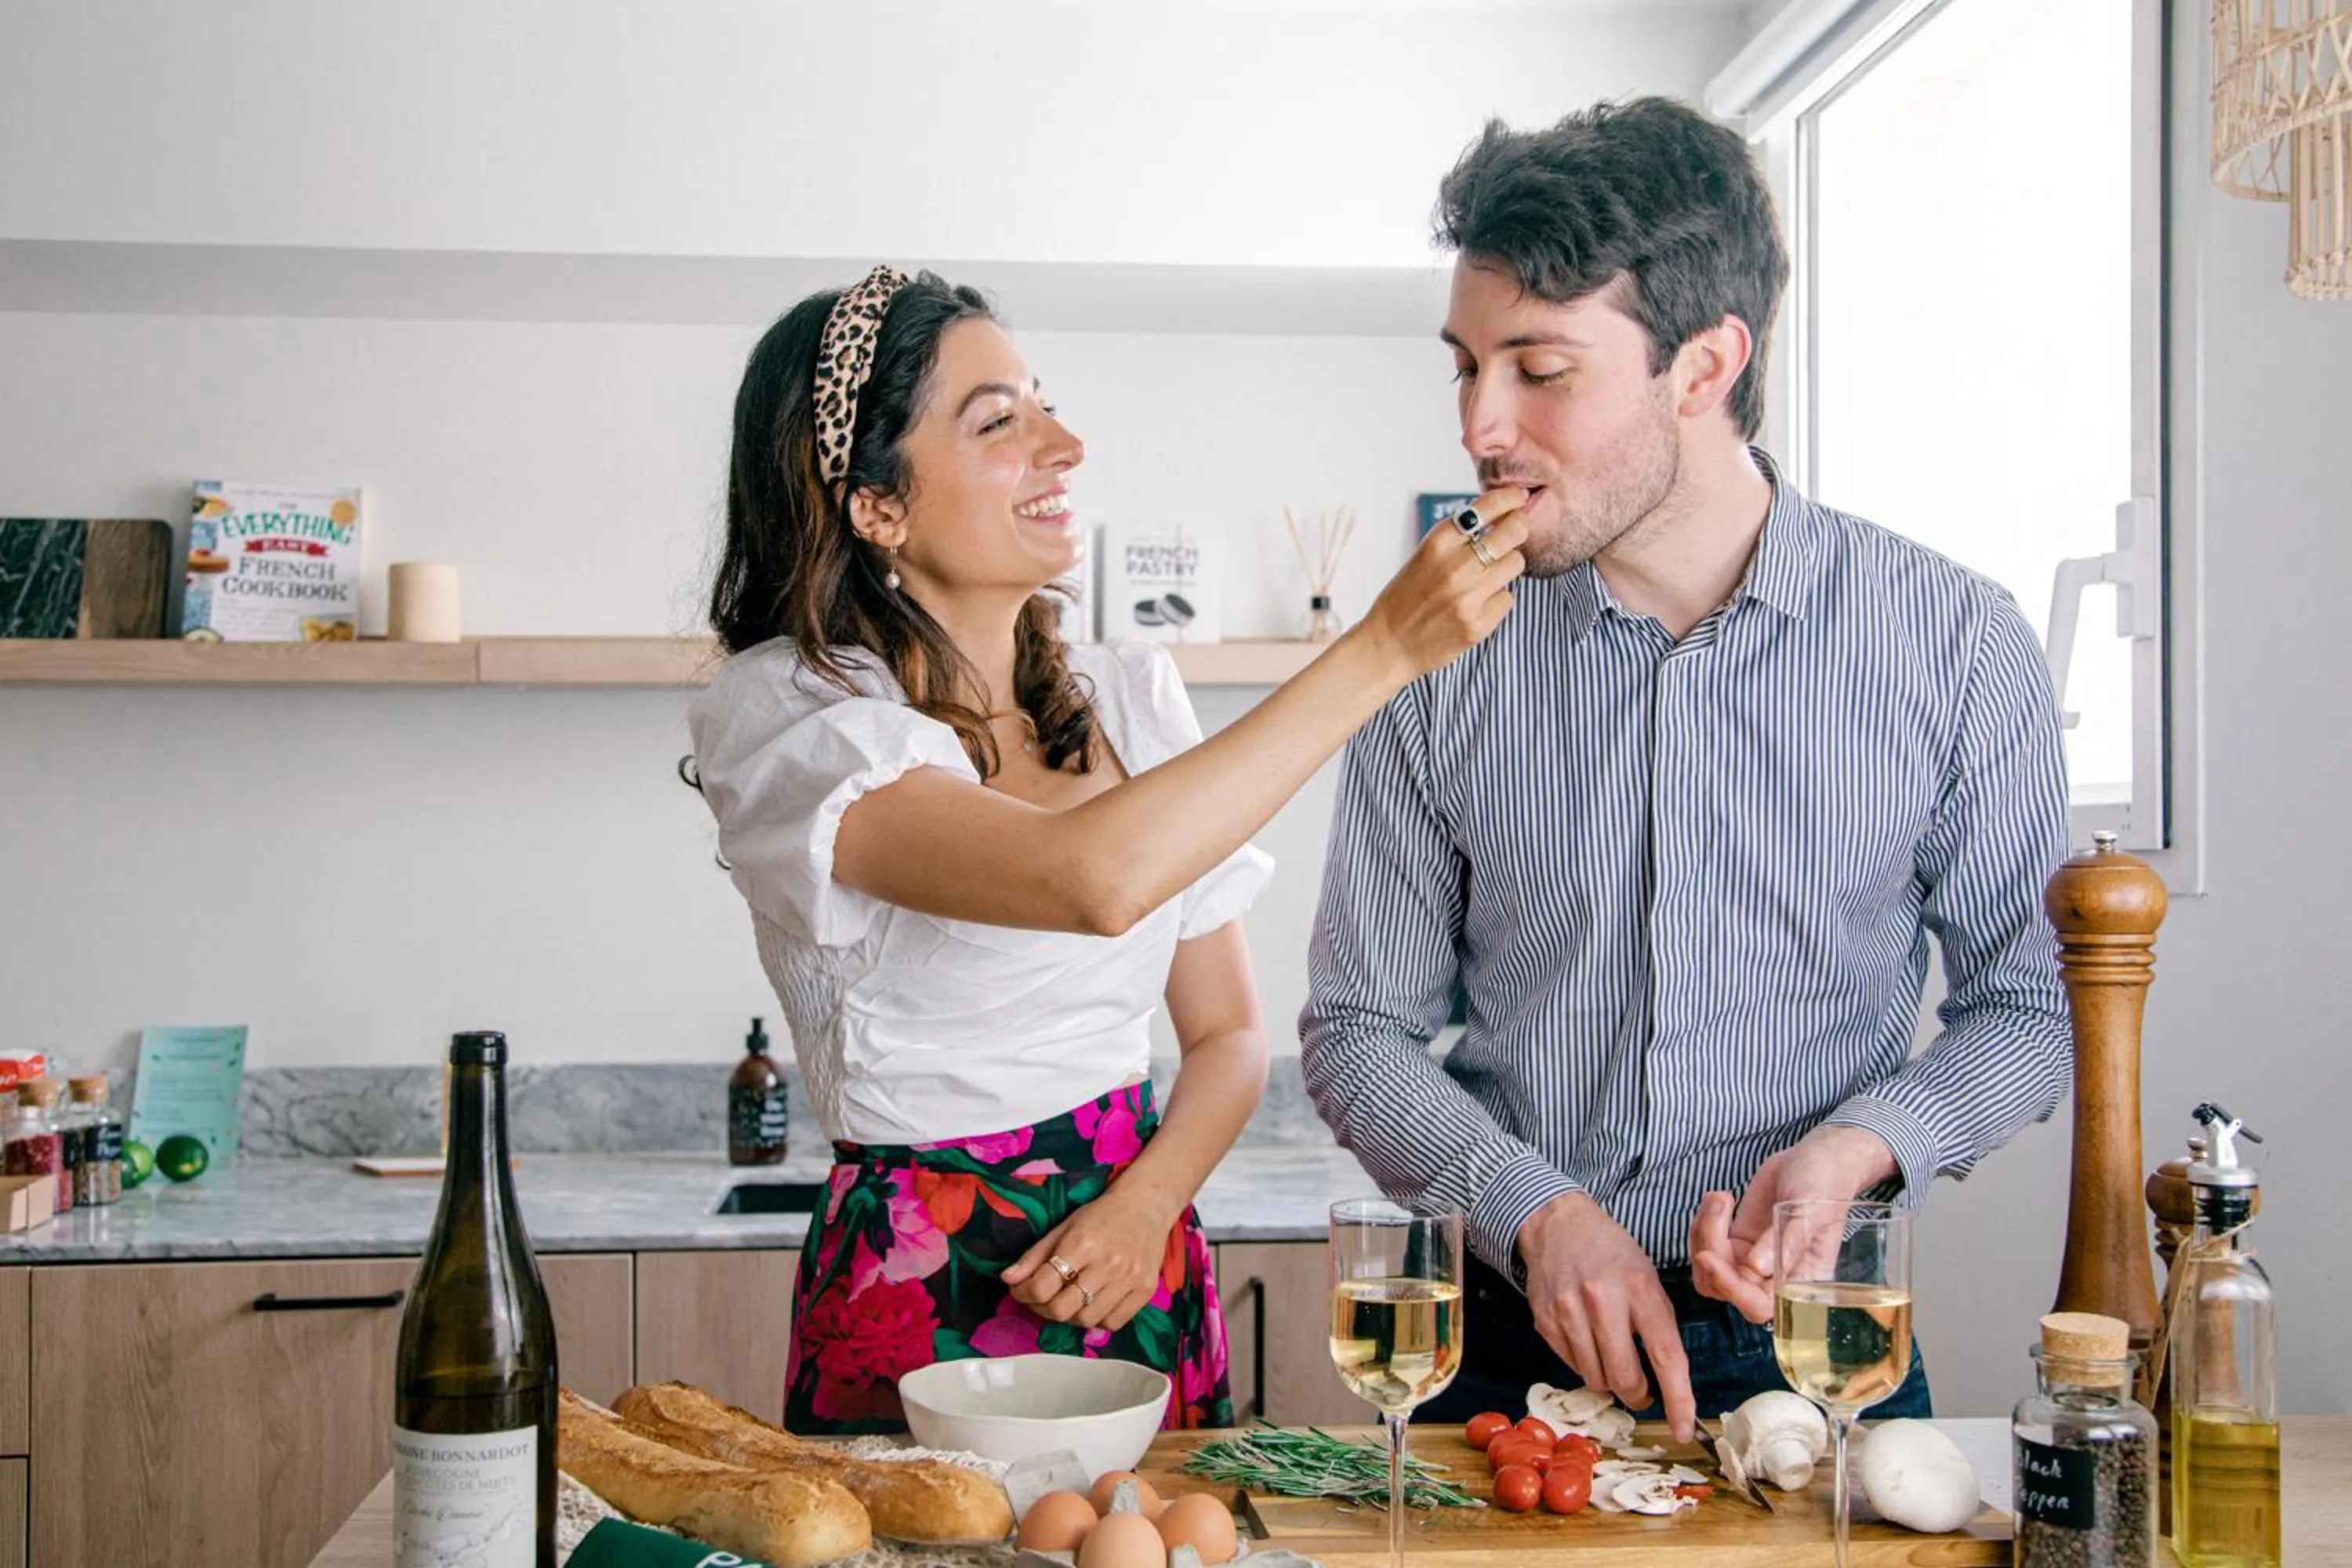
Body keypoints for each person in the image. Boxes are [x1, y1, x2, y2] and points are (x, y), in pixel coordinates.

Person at [1299, 98, 2073, 1441]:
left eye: (1539, 371)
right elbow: (1359, 1031)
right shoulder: (1431, 650)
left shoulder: (1954, 642)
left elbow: (2031, 1005)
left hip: (1822, 1348)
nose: (1482, 424)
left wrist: (1863, 1147)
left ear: (1705, 367)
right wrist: (1533, 1211)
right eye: (1466, 367)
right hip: (1503, 1344)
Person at [685, 265, 1530, 1433]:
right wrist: (1382, 648)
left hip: (1141, 1254)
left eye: (1045, 402)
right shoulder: (798, 719)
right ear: (875, 505)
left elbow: (1229, 1034)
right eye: (1000, 421)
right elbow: (1086, 879)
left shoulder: (1130, 702)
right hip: (921, 1284)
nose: (1065, 443)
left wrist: (1148, 1207)